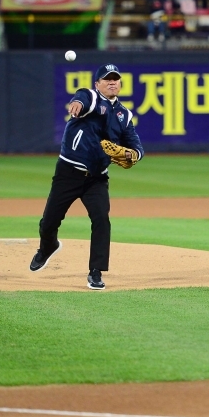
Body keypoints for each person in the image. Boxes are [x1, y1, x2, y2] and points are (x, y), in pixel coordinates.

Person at [29, 64, 144, 290]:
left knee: (101, 219)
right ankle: (47, 247)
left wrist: (134, 154)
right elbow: (82, 95)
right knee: (49, 221)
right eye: (107, 79)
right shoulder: (91, 99)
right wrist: (78, 102)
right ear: (97, 84)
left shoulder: (124, 114)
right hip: (68, 173)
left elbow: (136, 145)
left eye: (116, 79)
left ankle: (96, 271)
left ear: (120, 84)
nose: (112, 82)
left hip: (97, 179)